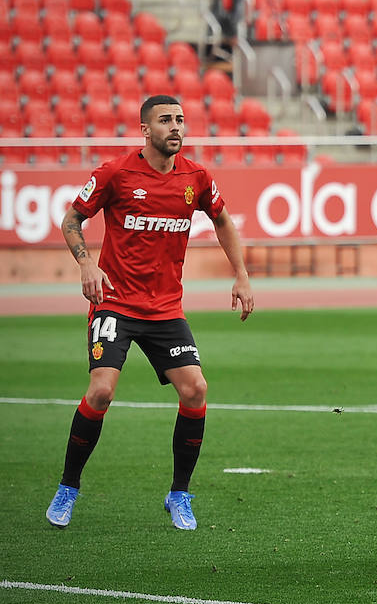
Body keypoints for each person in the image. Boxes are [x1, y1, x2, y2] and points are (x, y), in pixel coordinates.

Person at [46, 95, 255, 531]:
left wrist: (241, 274)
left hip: (165, 309)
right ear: (145, 129)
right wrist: (87, 263)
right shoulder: (116, 173)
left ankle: (179, 493)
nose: (175, 127)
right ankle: (68, 487)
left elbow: (222, 220)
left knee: (195, 389)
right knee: (101, 392)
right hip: (115, 303)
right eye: (165, 120)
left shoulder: (196, 178)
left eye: (180, 119)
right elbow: (71, 220)